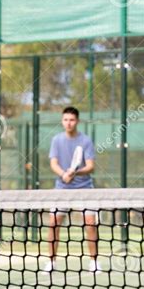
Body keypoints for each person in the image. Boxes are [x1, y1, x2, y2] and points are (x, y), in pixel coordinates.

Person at [43, 106, 101, 273]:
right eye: (66, 120)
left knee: (90, 223)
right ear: (62, 121)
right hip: (61, 188)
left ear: (77, 121)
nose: (68, 123)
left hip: (85, 188)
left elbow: (90, 166)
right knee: (54, 223)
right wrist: (63, 174)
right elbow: (53, 163)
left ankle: (94, 262)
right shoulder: (56, 140)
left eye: (72, 120)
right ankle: (52, 263)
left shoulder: (86, 141)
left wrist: (76, 172)